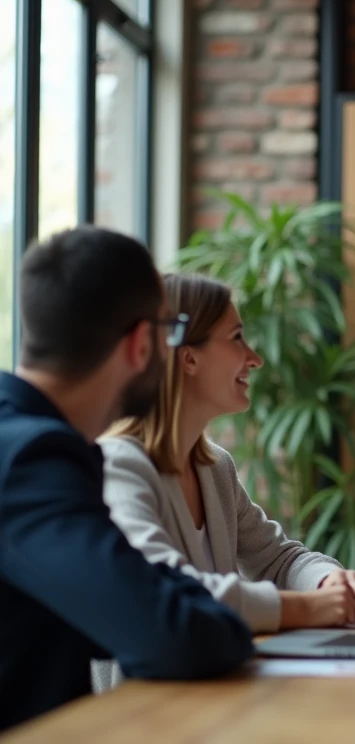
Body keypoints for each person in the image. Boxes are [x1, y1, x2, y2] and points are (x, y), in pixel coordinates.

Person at [0, 227, 252, 732]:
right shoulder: (32, 460)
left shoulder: (26, 440)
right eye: (169, 330)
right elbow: (173, 635)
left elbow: (138, 591)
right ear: (141, 344)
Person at [95, 274, 355, 690]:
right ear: (188, 358)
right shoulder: (118, 467)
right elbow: (169, 591)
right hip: (144, 704)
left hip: (214, 688)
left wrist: (326, 581)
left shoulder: (215, 467)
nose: (255, 358)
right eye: (237, 338)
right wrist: (307, 608)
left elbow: (278, 560)